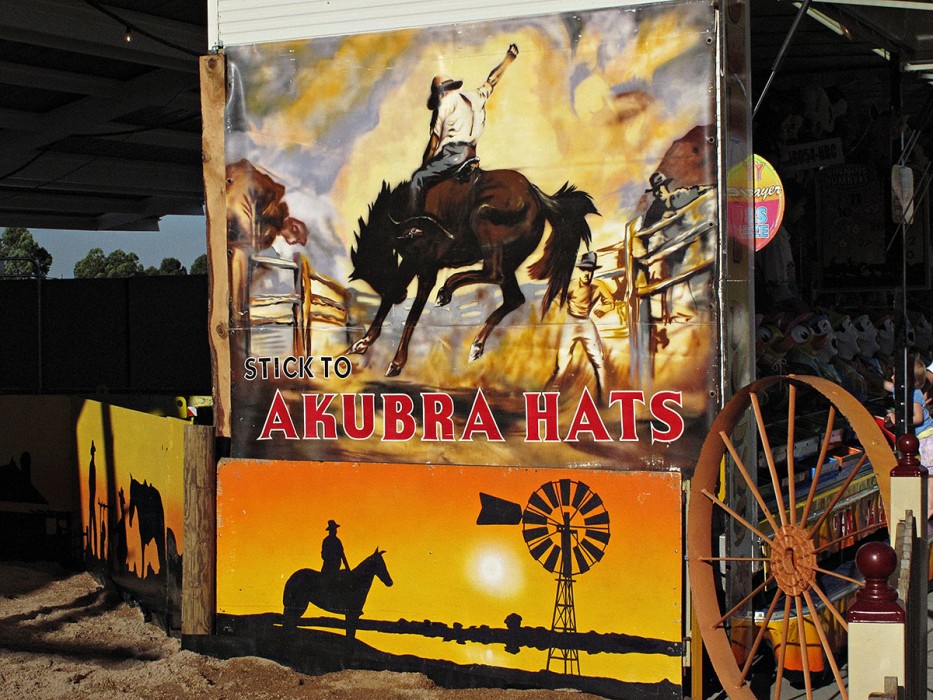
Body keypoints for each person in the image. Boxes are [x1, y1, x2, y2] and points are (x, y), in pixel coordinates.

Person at [404, 44, 519, 236]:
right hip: (471, 154)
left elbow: (433, 143)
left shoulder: (444, 104)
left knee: (418, 179)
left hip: (452, 154)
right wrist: (508, 60)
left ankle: (413, 227)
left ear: (440, 93)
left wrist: (424, 165)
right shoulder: (474, 97)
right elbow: (492, 80)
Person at [546, 252, 616, 402]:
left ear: (593, 271)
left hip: (586, 322)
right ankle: (550, 398)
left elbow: (610, 302)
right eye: (584, 270)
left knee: (599, 361)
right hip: (571, 322)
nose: (587, 274)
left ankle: (604, 399)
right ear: (580, 270)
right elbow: (557, 297)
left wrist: (603, 310)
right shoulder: (571, 285)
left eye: (589, 270)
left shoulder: (598, 286)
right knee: (563, 364)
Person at [885, 356, 933, 518]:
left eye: (895, 375)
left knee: (929, 473)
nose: (892, 378)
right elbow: (888, 386)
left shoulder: (914, 395)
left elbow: (918, 417)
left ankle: (930, 507)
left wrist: (900, 420)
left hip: (927, 438)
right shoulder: (906, 390)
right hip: (924, 438)